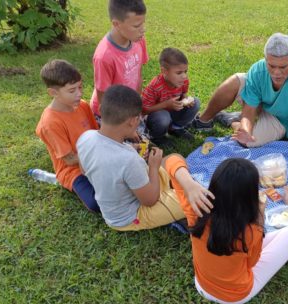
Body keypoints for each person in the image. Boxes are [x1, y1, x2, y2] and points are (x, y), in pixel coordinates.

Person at [166, 157, 288, 304]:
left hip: (202, 285)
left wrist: (189, 184)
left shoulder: (197, 210)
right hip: (236, 295)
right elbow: (252, 263)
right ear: (250, 197)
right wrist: (260, 217)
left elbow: (171, 160)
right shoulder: (251, 230)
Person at [77, 85, 209, 231]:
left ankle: (179, 190)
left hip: (129, 194)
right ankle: (179, 197)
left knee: (174, 158)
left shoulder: (85, 138)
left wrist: (131, 151)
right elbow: (150, 201)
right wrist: (153, 166)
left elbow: (84, 170)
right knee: (195, 200)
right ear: (134, 121)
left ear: (101, 110)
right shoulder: (128, 160)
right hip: (132, 215)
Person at [192, 33, 288, 149]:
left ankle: (233, 121)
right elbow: (250, 107)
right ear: (265, 60)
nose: (276, 72)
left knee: (249, 142)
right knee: (236, 80)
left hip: (283, 121)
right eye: (271, 66)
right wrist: (246, 130)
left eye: (283, 67)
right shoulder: (258, 69)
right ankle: (203, 121)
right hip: (260, 105)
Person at [35, 59, 100, 213]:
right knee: (96, 203)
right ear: (53, 93)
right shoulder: (49, 123)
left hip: (95, 159)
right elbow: (70, 160)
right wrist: (100, 156)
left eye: (80, 87)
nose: (79, 93)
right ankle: (64, 182)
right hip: (72, 171)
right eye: (72, 90)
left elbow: (96, 134)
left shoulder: (82, 105)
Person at [90, 0, 148, 120]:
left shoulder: (139, 40)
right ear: (116, 24)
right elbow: (103, 96)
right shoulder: (104, 56)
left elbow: (138, 75)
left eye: (143, 23)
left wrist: (135, 108)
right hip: (110, 113)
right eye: (137, 26)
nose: (143, 29)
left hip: (129, 107)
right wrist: (122, 121)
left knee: (143, 136)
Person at [141, 48, 199, 145]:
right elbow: (144, 110)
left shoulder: (183, 81)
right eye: (179, 72)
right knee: (163, 117)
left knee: (196, 103)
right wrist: (166, 105)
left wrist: (185, 99)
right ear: (164, 71)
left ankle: (176, 128)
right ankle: (156, 137)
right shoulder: (155, 86)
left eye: (185, 71)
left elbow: (183, 94)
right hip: (156, 117)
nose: (184, 76)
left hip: (173, 111)